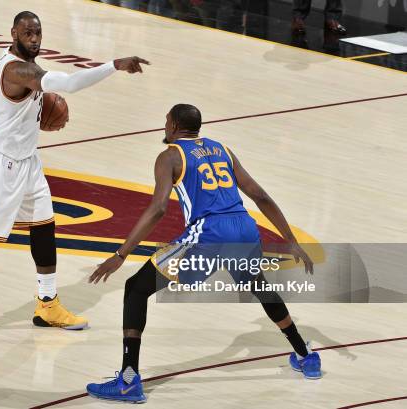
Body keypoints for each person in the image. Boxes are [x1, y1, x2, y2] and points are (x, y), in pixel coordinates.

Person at [0, 10, 150, 348]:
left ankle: (47, 304)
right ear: (13, 34)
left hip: (27, 161)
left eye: (38, 32)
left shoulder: (29, 64)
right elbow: (67, 84)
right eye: (28, 33)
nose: (34, 39)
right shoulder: (16, 69)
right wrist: (114, 65)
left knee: (44, 227)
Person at [86, 104, 320, 403]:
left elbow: (158, 209)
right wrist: (290, 239)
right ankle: (305, 356)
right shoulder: (222, 148)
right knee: (258, 286)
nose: (164, 126)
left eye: (165, 121)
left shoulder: (170, 156)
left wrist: (120, 254)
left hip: (209, 234)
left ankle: (129, 380)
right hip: (244, 227)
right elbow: (259, 195)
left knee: (135, 288)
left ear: (173, 125)